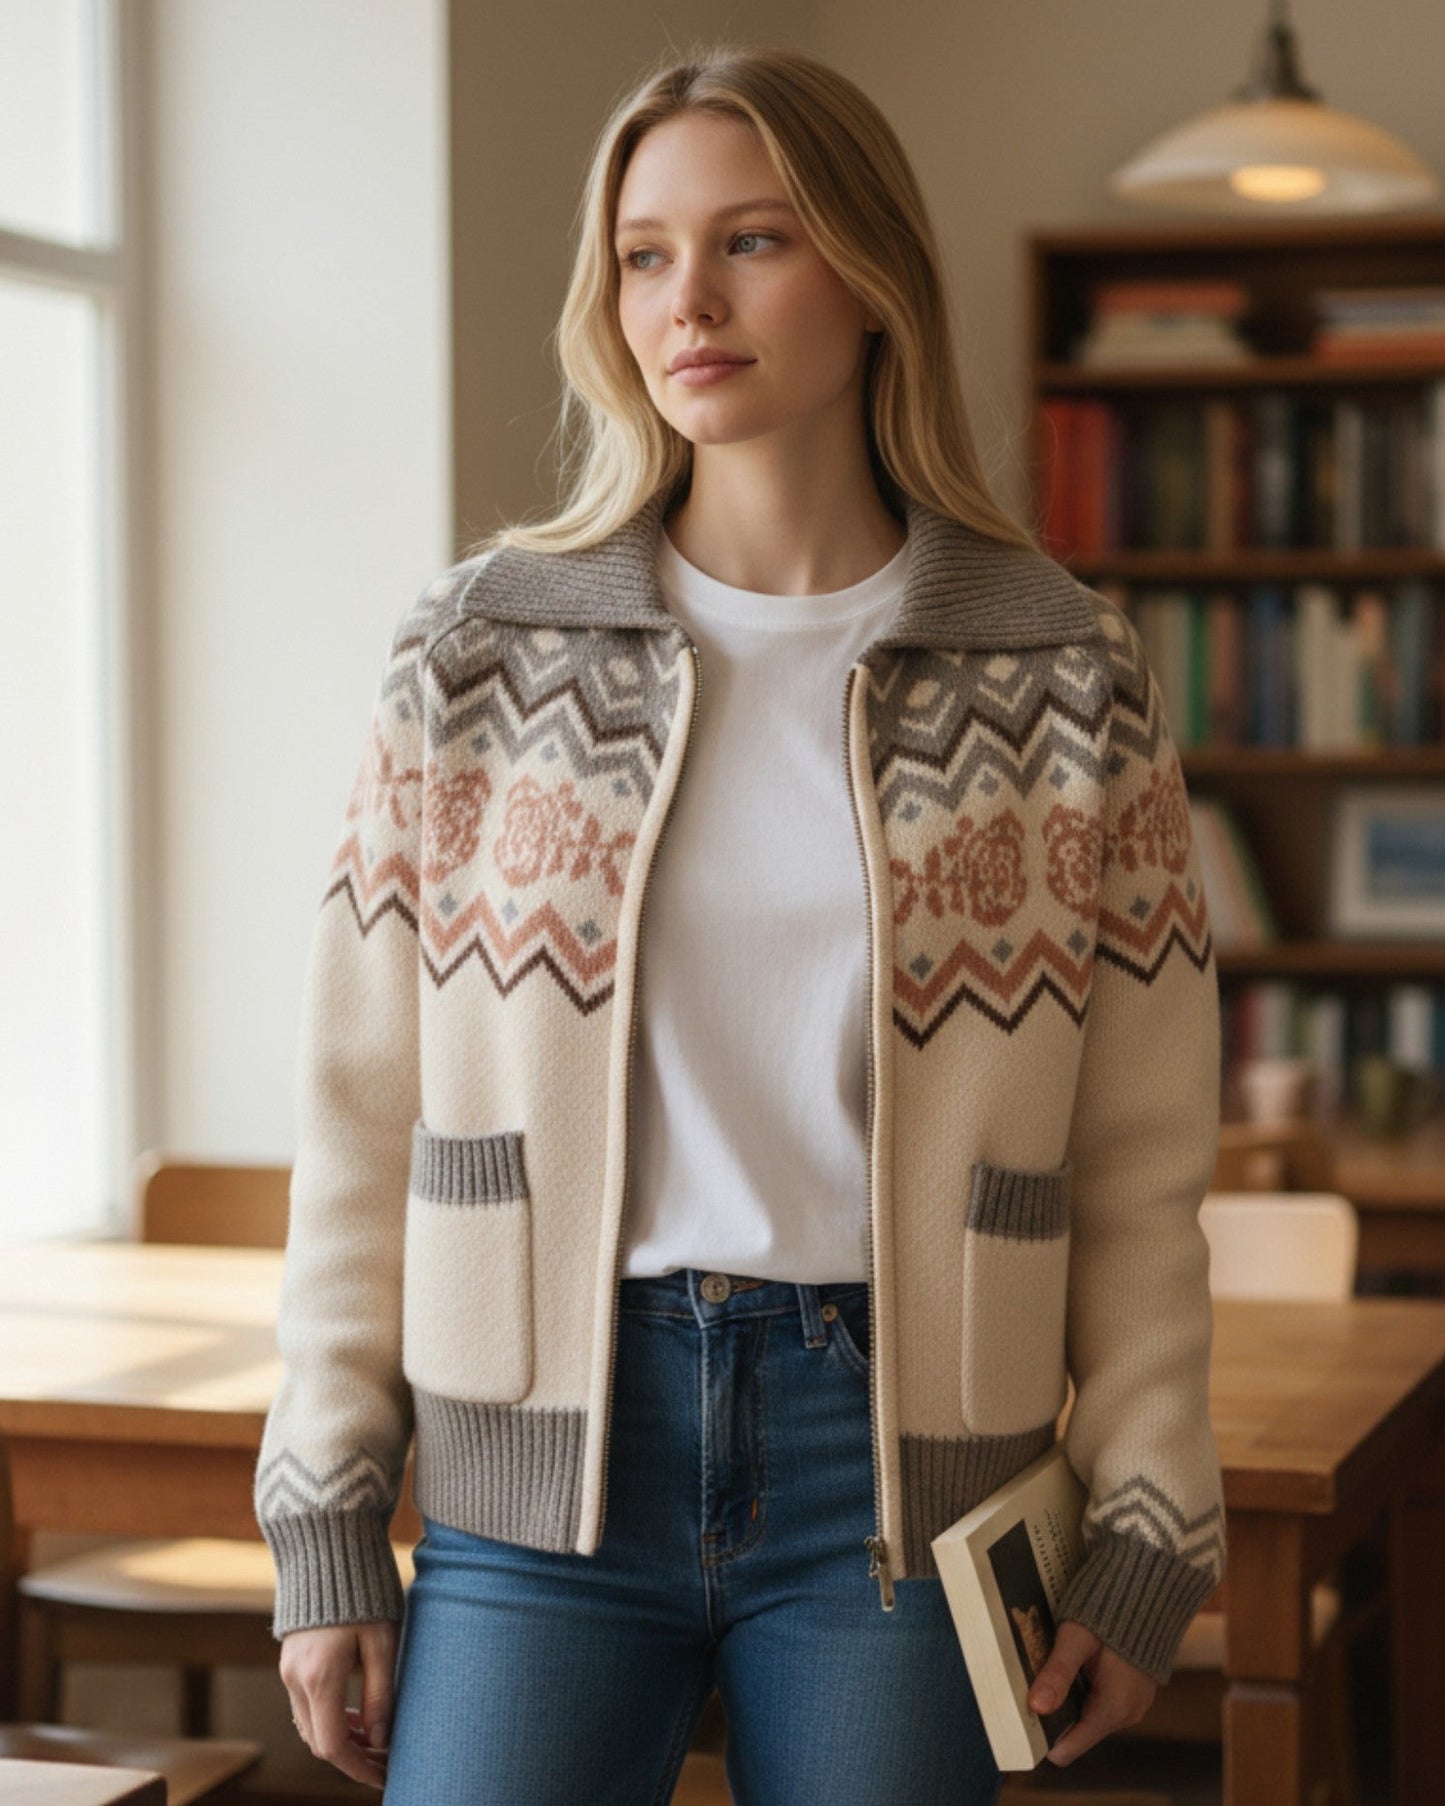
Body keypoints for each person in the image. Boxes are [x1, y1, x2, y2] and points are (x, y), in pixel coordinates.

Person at [256, 40, 1226, 1805]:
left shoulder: (1060, 671)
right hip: (547, 1451)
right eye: (642, 254)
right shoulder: (480, 652)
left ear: (868, 276)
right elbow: (359, 1112)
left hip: (905, 1475)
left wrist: (1147, 1517)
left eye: (750, 241)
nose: (683, 298)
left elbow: (1143, 1159)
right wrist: (325, 1505)